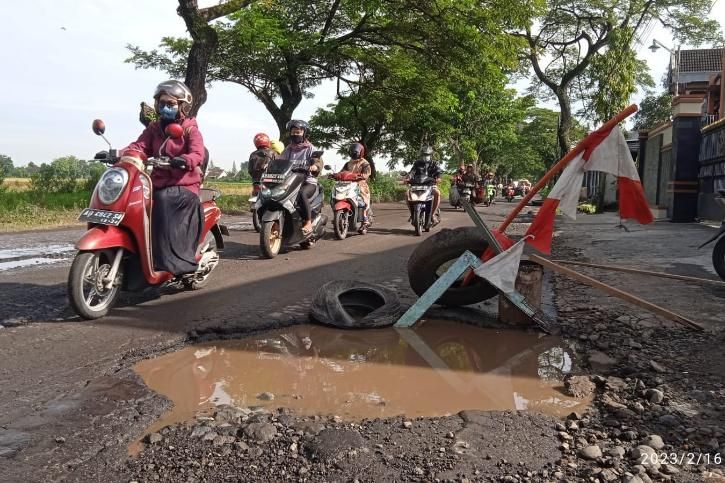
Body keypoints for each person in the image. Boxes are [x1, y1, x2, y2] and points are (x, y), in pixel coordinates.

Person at [124, 80, 205, 276]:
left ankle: (170, 261)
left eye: (171, 104)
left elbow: (197, 154)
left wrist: (183, 160)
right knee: (134, 203)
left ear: (182, 106)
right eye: (162, 103)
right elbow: (139, 146)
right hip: (157, 183)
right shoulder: (154, 128)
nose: (165, 108)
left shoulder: (190, 129)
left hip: (184, 185)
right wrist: (120, 153)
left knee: (162, 199)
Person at [276, 119, 322, 235]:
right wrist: (271, 165)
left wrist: (314, 167)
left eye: (298, 132)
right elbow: (279, 161)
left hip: (308, 181)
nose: (295, 134)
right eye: (293, 132)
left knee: (301, 194)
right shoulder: (288, 149)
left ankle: (308, 222)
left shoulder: (310, 148)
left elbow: (318, 161)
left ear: (304, 133)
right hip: (290, 181)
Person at [406, 145, 442, 224]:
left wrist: (438, 178)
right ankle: (412, 214)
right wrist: (408, 177)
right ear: (422, 155)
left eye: (427, 155)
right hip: (417, 185)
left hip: (430, 185)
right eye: (424, 155)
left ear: (430, 155)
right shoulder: (417, 163)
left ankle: (432, 214)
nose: (426, 156)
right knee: (407, 193)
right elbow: (412, 172)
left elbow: (439, 172)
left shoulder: (434, 163)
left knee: (437, 193)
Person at [340, 142, 372, 232]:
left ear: (360, 152)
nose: (354, 153)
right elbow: (342, 172)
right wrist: (335, 175)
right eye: (352, 151)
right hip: (348, 185)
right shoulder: (348, 163)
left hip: (360, 185)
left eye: (356, 152)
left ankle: (365, 220)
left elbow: (366, 174)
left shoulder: (365, 163)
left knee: (362, 201)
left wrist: (361, 176)